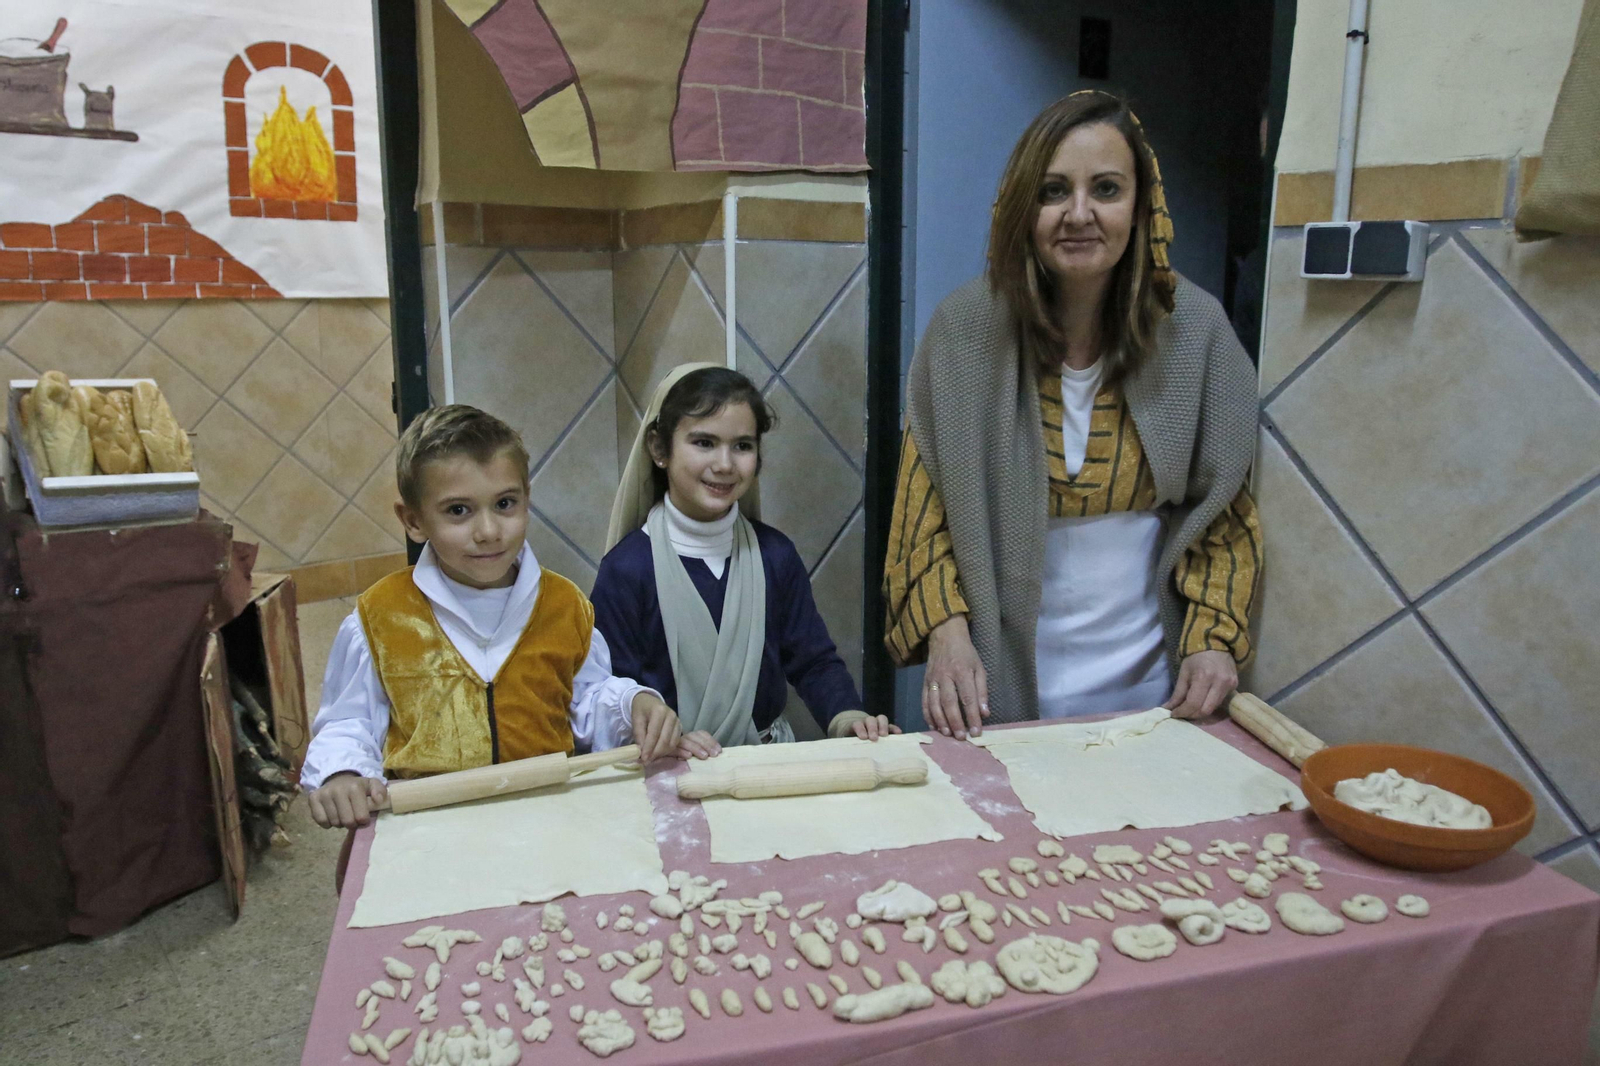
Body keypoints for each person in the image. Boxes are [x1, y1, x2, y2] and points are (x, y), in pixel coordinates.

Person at [883, 90, 1263, 738]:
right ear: (1022, 208)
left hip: (1156, 697)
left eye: (1107, 189)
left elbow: (1223, 513)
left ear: (1142, 207)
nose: (1079, 214)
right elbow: (924, 513)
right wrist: (947, 635)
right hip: (1002, 692)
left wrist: (1212, 638)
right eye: (1054, 190)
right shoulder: (964, 333)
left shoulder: (1196, 331)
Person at [302, 405, 683, 831]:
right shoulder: (379, 618)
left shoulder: (564, 605)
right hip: (429, 827)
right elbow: (348, 723)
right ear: (413, 520)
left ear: (526, 500)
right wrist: (342, 773)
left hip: (548, 819)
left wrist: (633, 704)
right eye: (458, 511)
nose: (488, 530)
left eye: (504, 504)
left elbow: (586, 701)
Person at [593, 363, 892, 749]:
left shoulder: (775, 556)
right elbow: (610, 695)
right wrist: (665, 740)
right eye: (704, 443)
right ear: (658, 449)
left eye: (742, 446)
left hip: (765, 763)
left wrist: (848, 718)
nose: (724, 464)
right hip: (666, 771)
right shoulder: (627, 570)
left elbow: (813, 660)